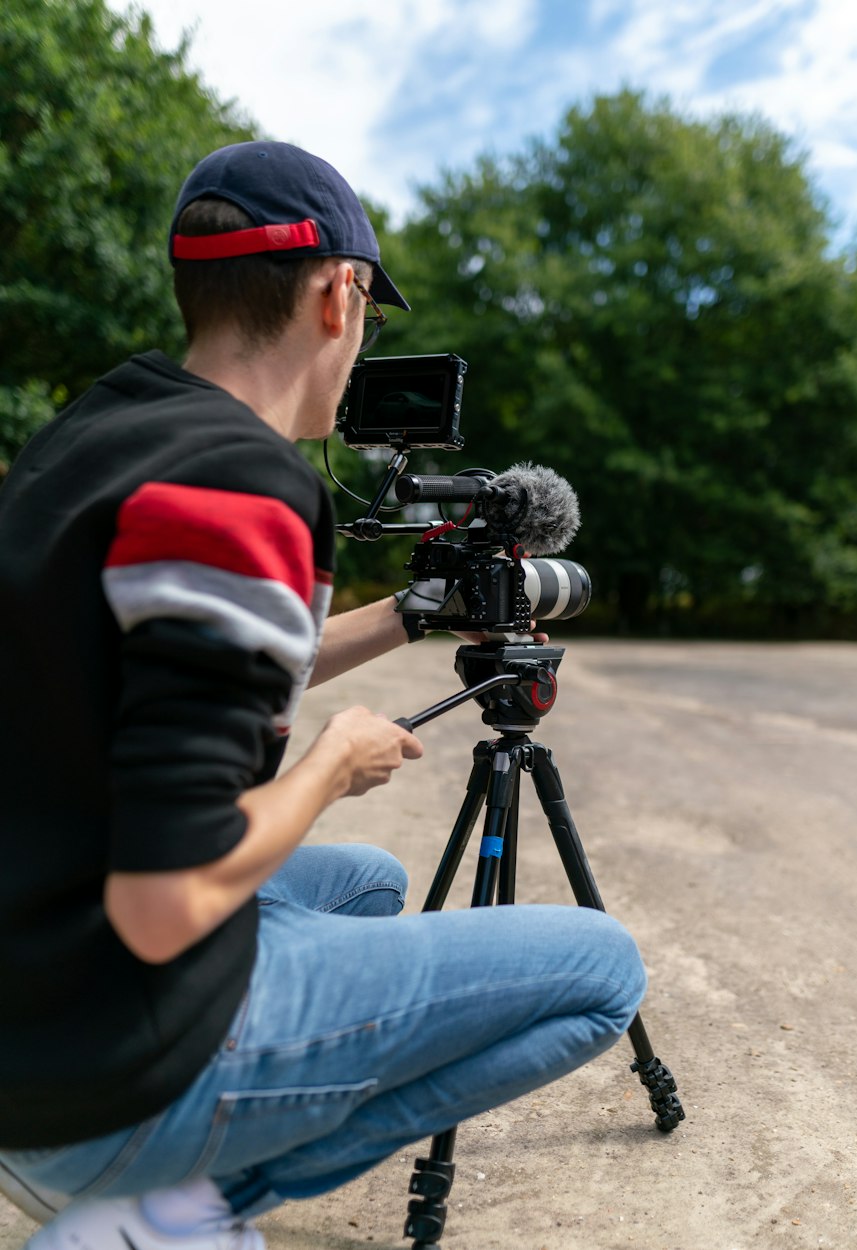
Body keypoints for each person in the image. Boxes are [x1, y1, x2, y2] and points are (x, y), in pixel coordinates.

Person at [0, 141, 647, 1250]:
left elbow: (181, 664)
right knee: (603, 968)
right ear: (336, 291)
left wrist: (408, 614)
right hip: (93, 1081)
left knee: (369, 879)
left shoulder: (101, 434)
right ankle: (167, 1211)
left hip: (31, 982)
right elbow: (170, 897)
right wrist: (329, 767)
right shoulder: (243, 484)